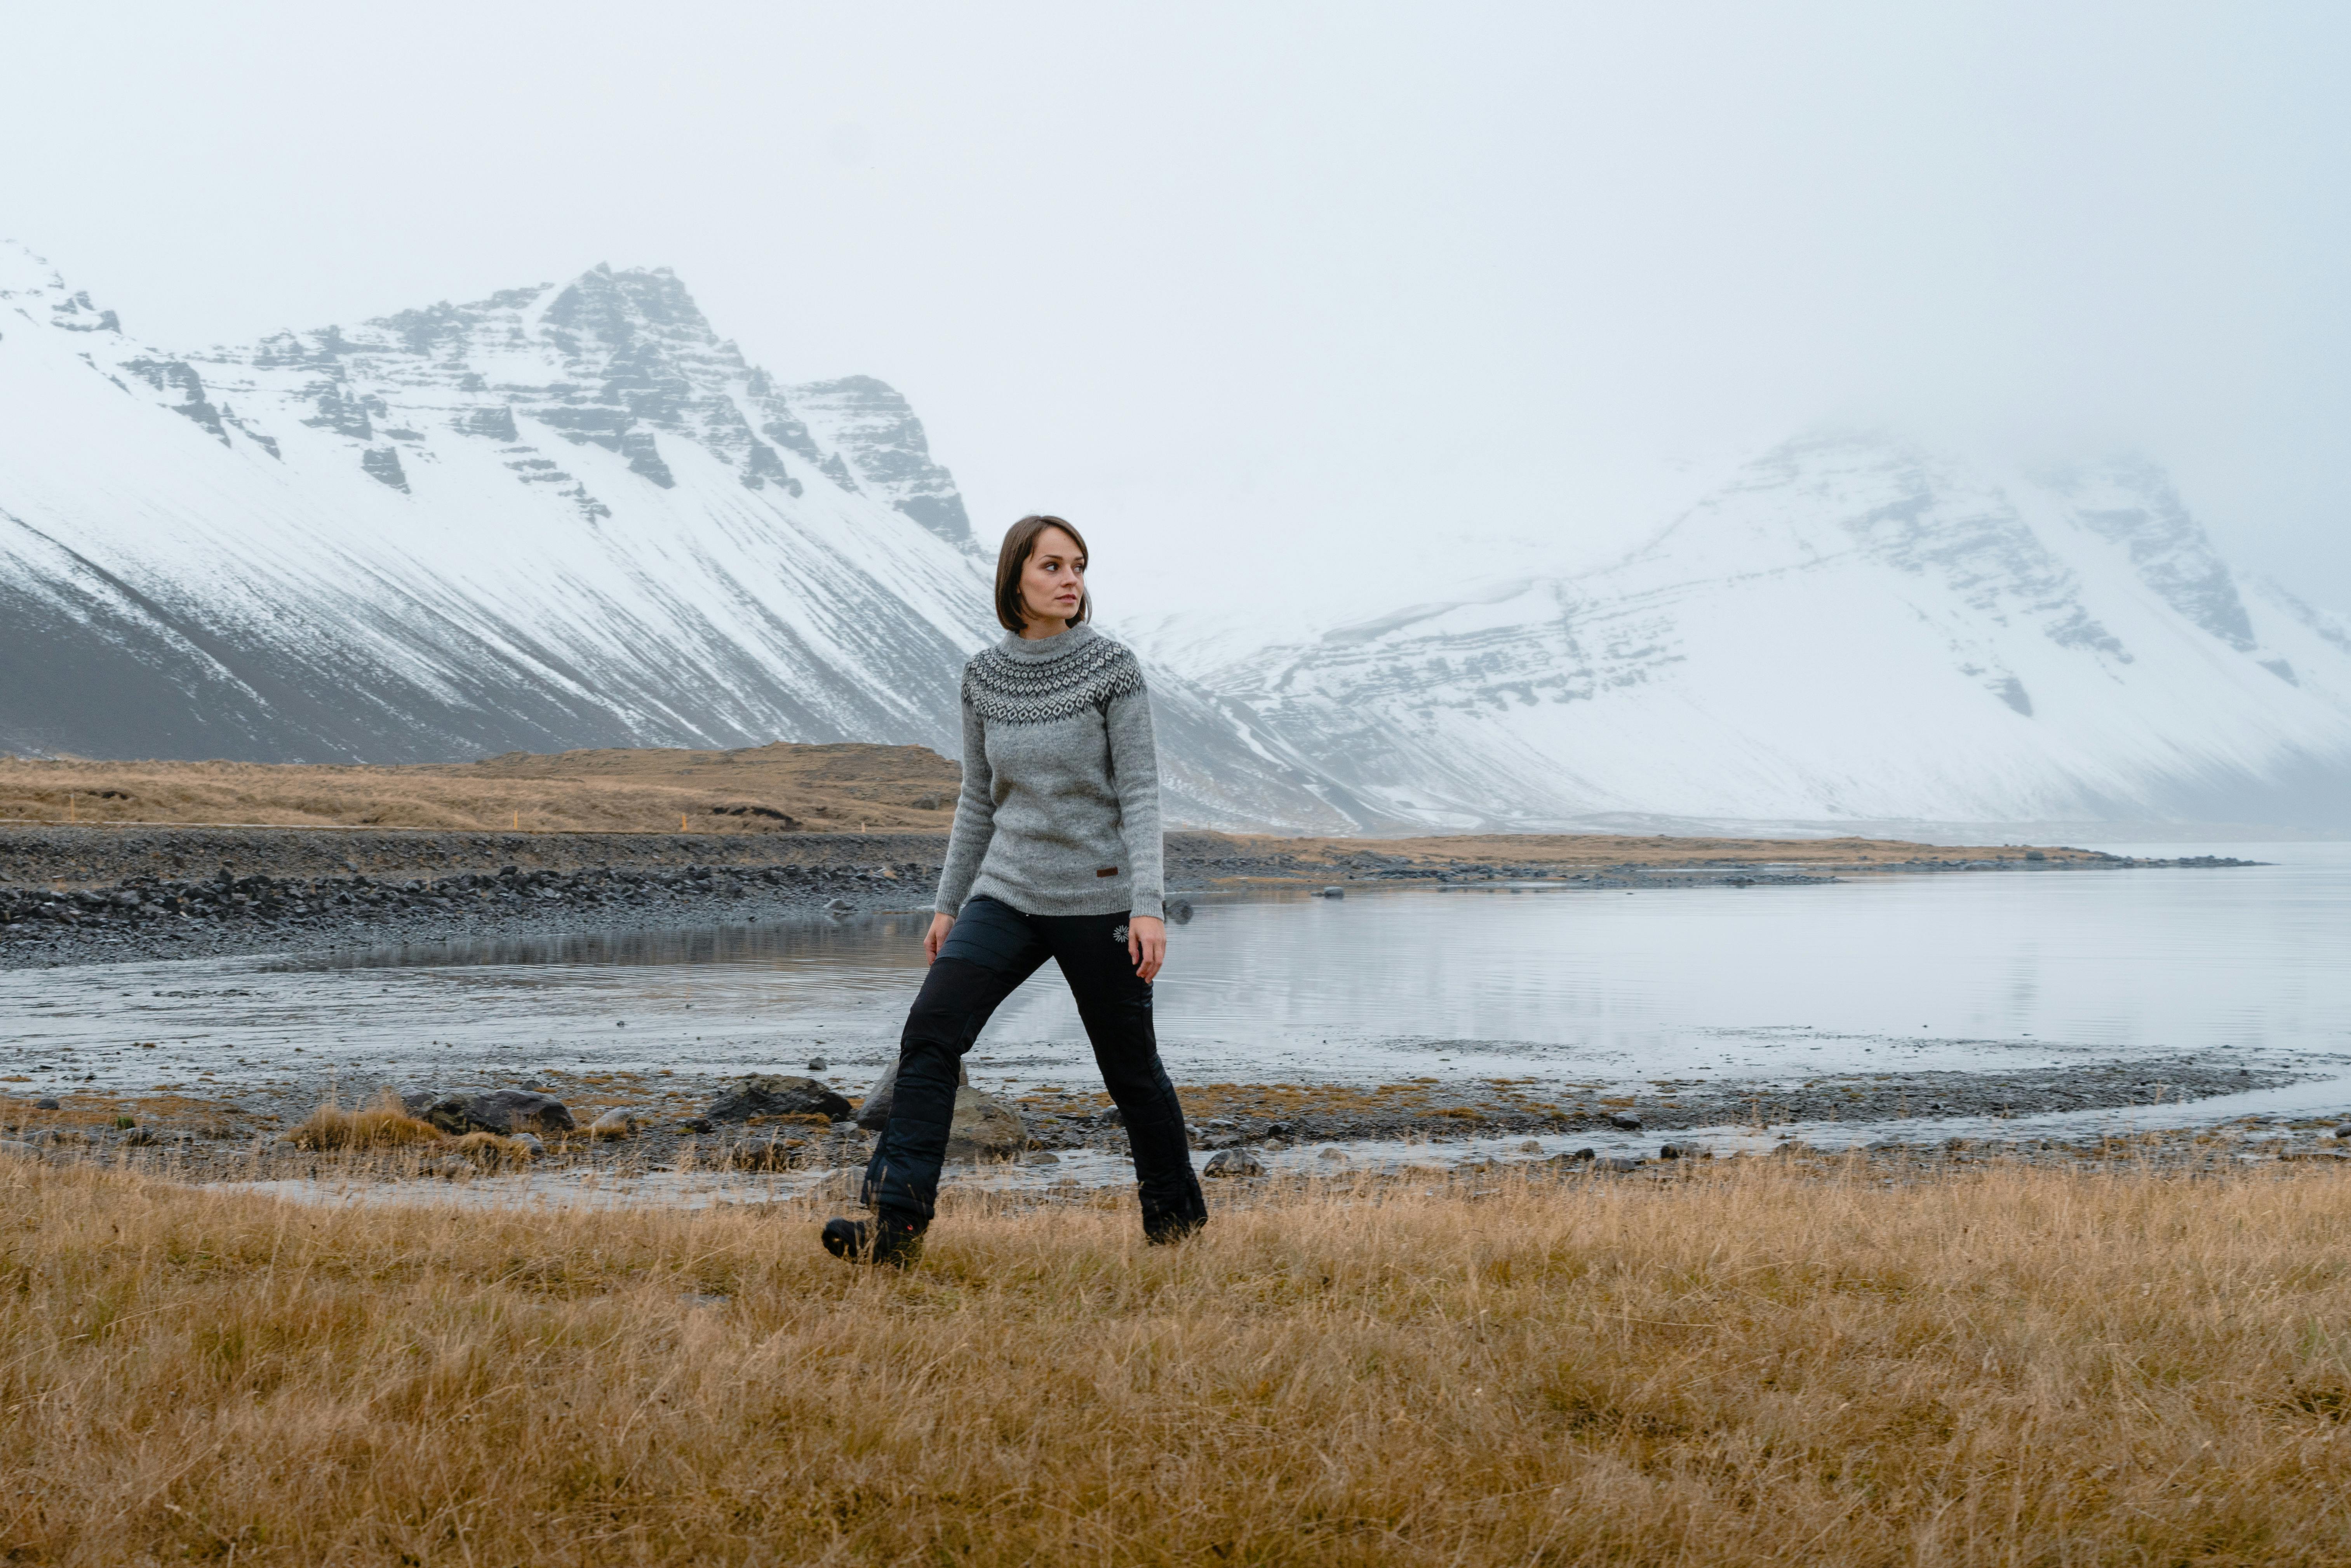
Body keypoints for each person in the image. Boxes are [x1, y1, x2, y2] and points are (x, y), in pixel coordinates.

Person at [822, 514, 1208, 1265]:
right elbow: (978, 798)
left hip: (1098, 898)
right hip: (1005, 894)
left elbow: (1140, 792)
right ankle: (896, 1225)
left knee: (1130, 1071)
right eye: (1053, 566)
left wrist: (1147, 906)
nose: (1072, 580)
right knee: (929, 1034)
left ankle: (1175, 1221)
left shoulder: (1113, 669)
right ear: (1016, 578)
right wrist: (948, 901)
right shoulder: (983, 675)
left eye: (1079, 567)